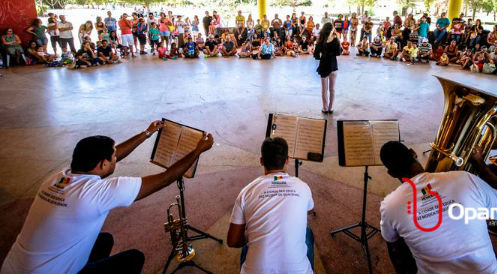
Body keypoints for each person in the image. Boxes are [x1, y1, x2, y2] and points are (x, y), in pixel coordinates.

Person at [1, 122, 214, 274]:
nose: (116, 158)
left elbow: (113, 155)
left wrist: (147, 133)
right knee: (133, 258)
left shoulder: (58, 178)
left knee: (104, 240)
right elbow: (166, 178)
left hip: (13, 268)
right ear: (103, 164)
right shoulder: (98, 193)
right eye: (113, 157)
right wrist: (198, 150)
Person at [379, 141, 497, 274]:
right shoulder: (464, 178)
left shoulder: (389, 205)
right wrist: (481, 165)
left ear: (391, 174)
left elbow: (393, 245)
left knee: (396, 237)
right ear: (413, 153)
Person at [227, 137, 314, 274]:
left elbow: (233, 241)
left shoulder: (246, 192)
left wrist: (252, 236)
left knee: (249, 240)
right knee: (307, 232)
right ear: (287, 160)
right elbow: (309, 210)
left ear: (261, 161)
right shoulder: (303, 187)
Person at [314, 22, 341, 114]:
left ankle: (325, 108)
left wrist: (322, 56)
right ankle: (331, 107)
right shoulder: (335, 40)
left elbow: (316, 55)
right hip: (333, 66)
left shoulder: (321, 40)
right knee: (332, 89)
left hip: (324, 66)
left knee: (324, 90)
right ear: (331, 30)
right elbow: (338, 53)